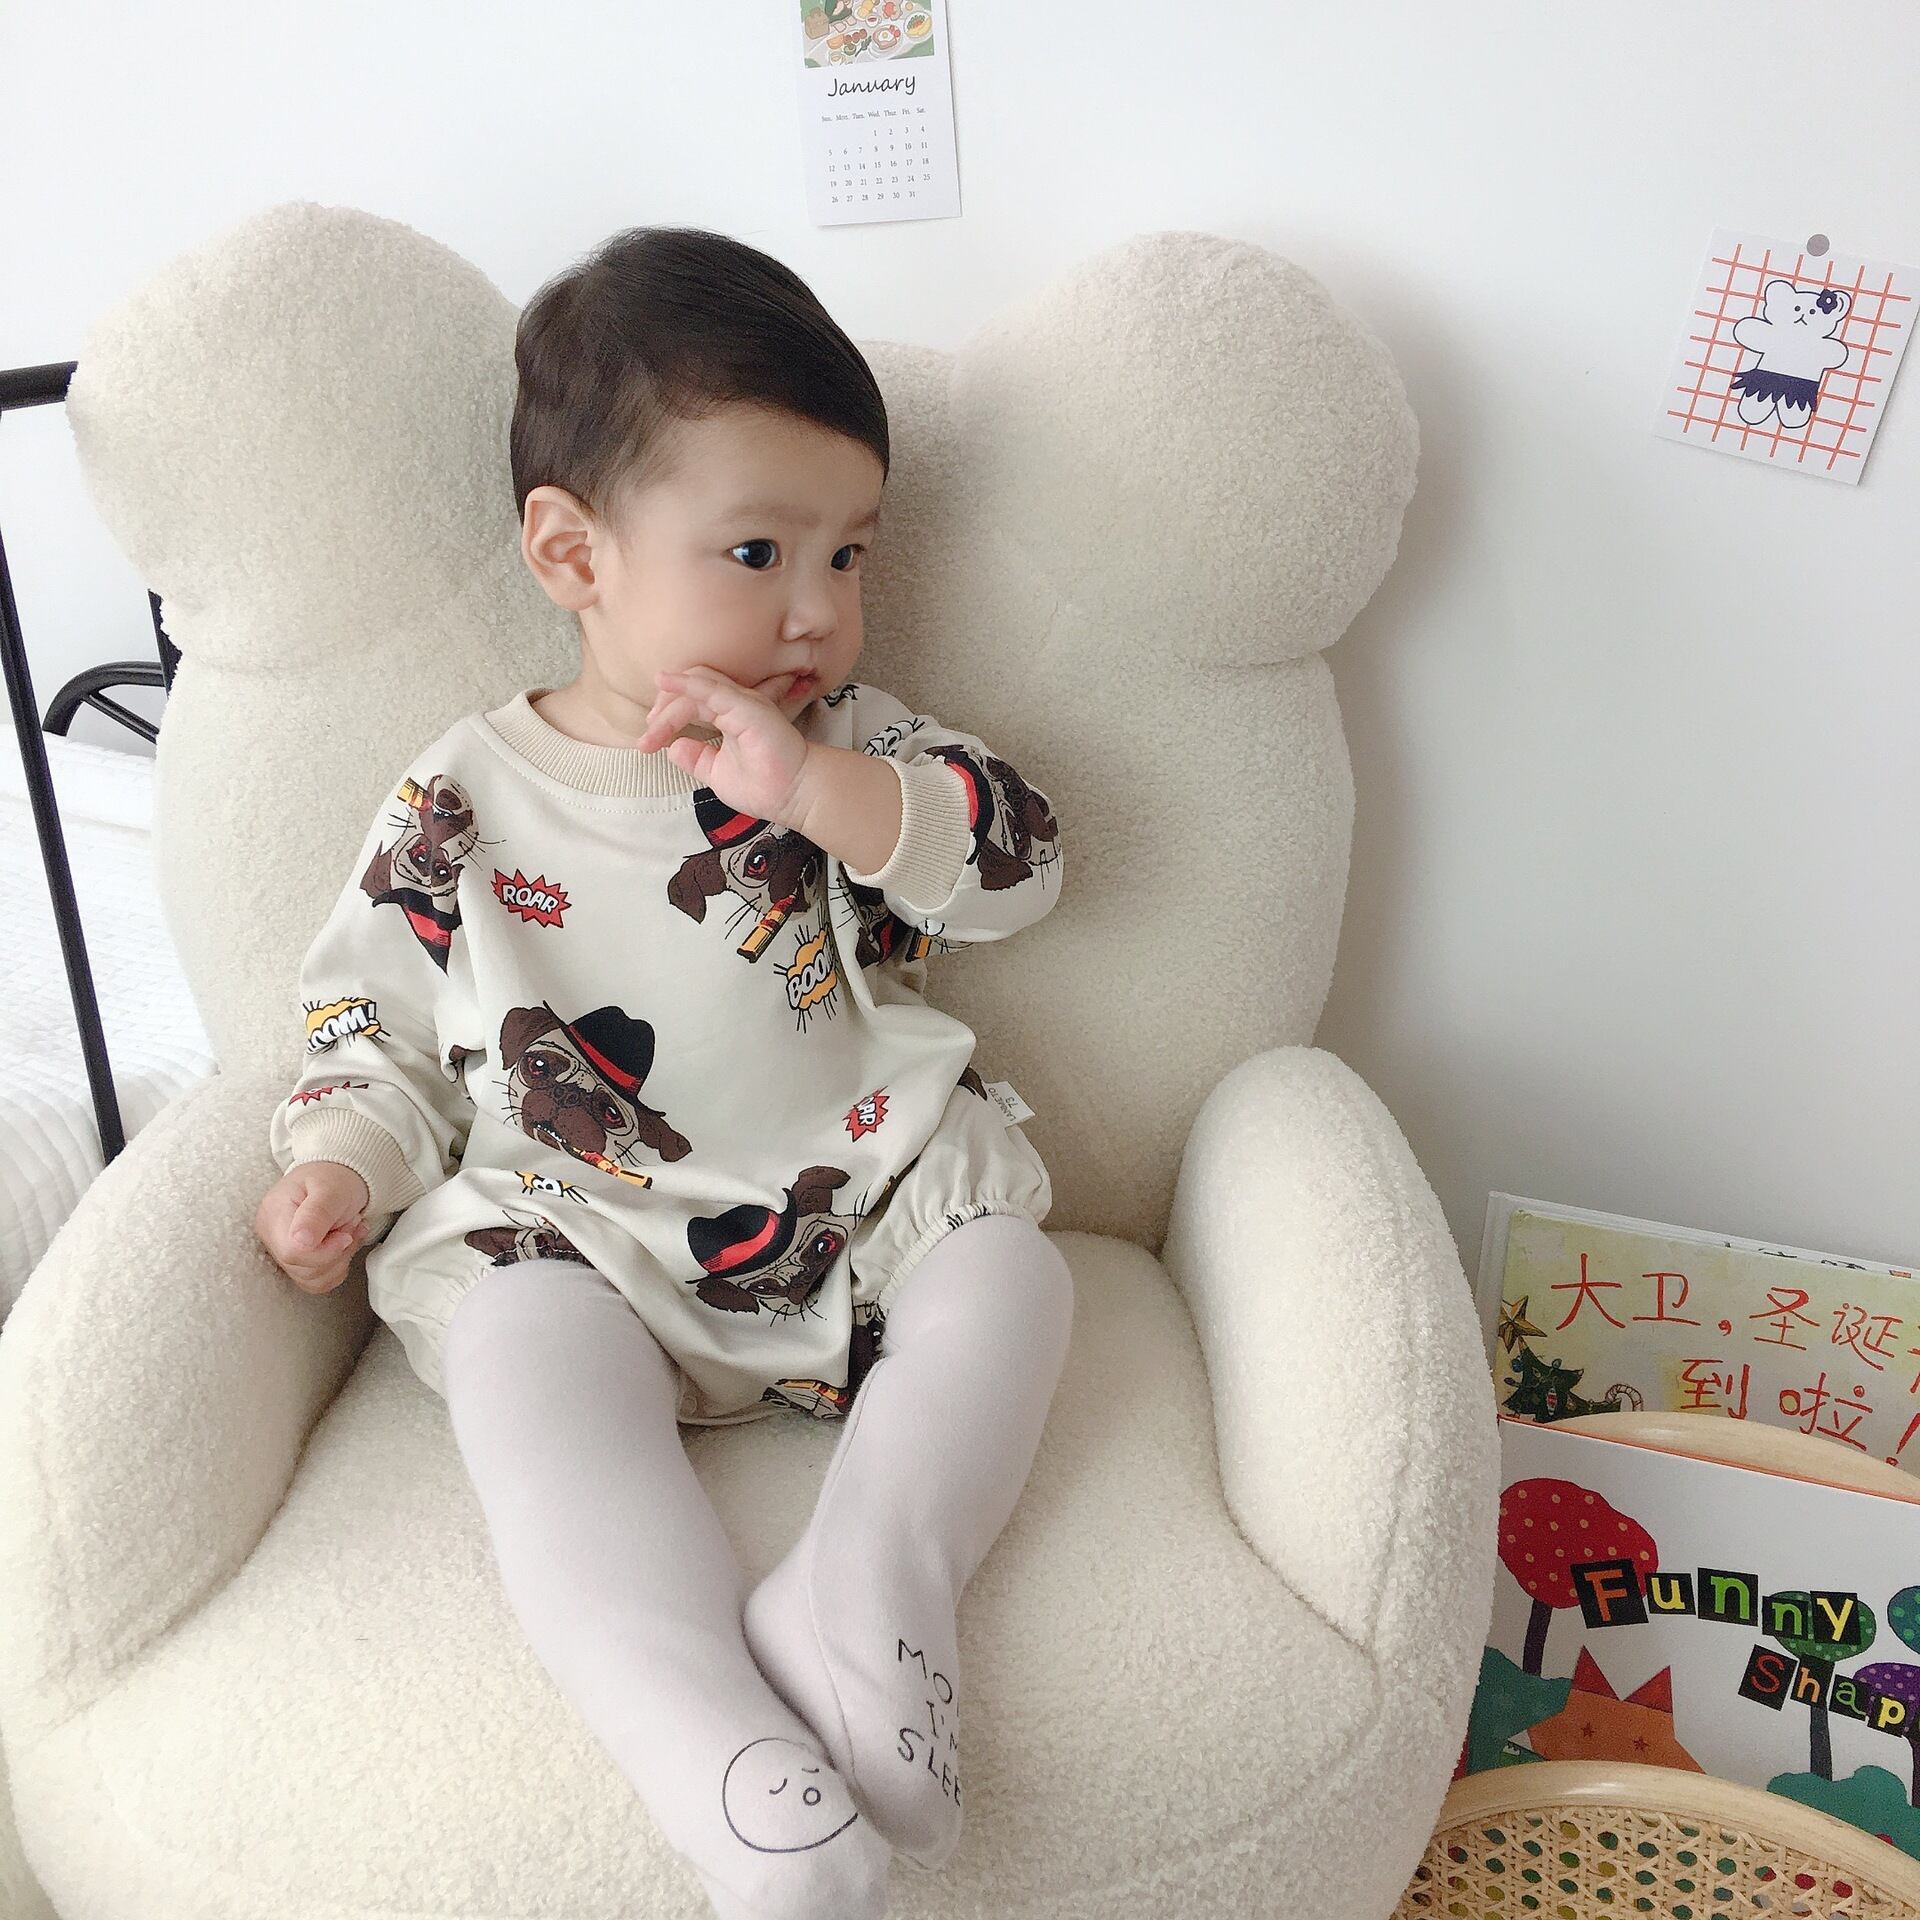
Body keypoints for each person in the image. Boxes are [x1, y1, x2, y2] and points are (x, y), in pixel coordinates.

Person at [252, 225, 1072, 1920]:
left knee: (1016, 1278)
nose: (817, 608)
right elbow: (367, 1020)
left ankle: (865, 1582)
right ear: (574, 553)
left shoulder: (854, 745)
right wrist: (341, 1157)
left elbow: (1023, 863)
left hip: (859, 1200)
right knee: (526, 1383)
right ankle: (707, 1740)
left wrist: (816, 792)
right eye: (757, 551)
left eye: (848, 554)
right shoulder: (463, 794)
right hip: (580, 1229)